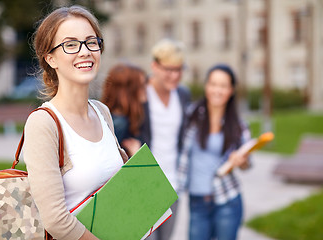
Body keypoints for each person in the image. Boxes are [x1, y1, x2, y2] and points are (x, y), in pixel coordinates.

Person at [23, 6, 127, 240]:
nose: (85, 52)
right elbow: (56, 220)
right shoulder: (43, 123)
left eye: (91, 42)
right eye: (70, 45)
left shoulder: (102, 112)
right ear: (50, 58)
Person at [178, 64, 251, 240]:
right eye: (213, 84)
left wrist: (241, 161)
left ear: (231, 90)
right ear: (206, 86)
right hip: (197, 202)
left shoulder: (239, 126)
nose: (217, 90)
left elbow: (248, 164)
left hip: (228, 199)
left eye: (223, 86)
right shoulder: (191, 116)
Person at [142, 38, 191, 240]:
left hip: (172, 183)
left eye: (179, 70)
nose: (174, 75)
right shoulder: (141, 93)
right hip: (144, 185)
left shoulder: (182, 94)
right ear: (154, 66)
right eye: (169, 69)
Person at [101, 63, 147, 157]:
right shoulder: (119, 124)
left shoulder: (123, 118)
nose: (146, 89)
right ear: (128, 91)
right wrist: (137, 155)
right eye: (142, 86)